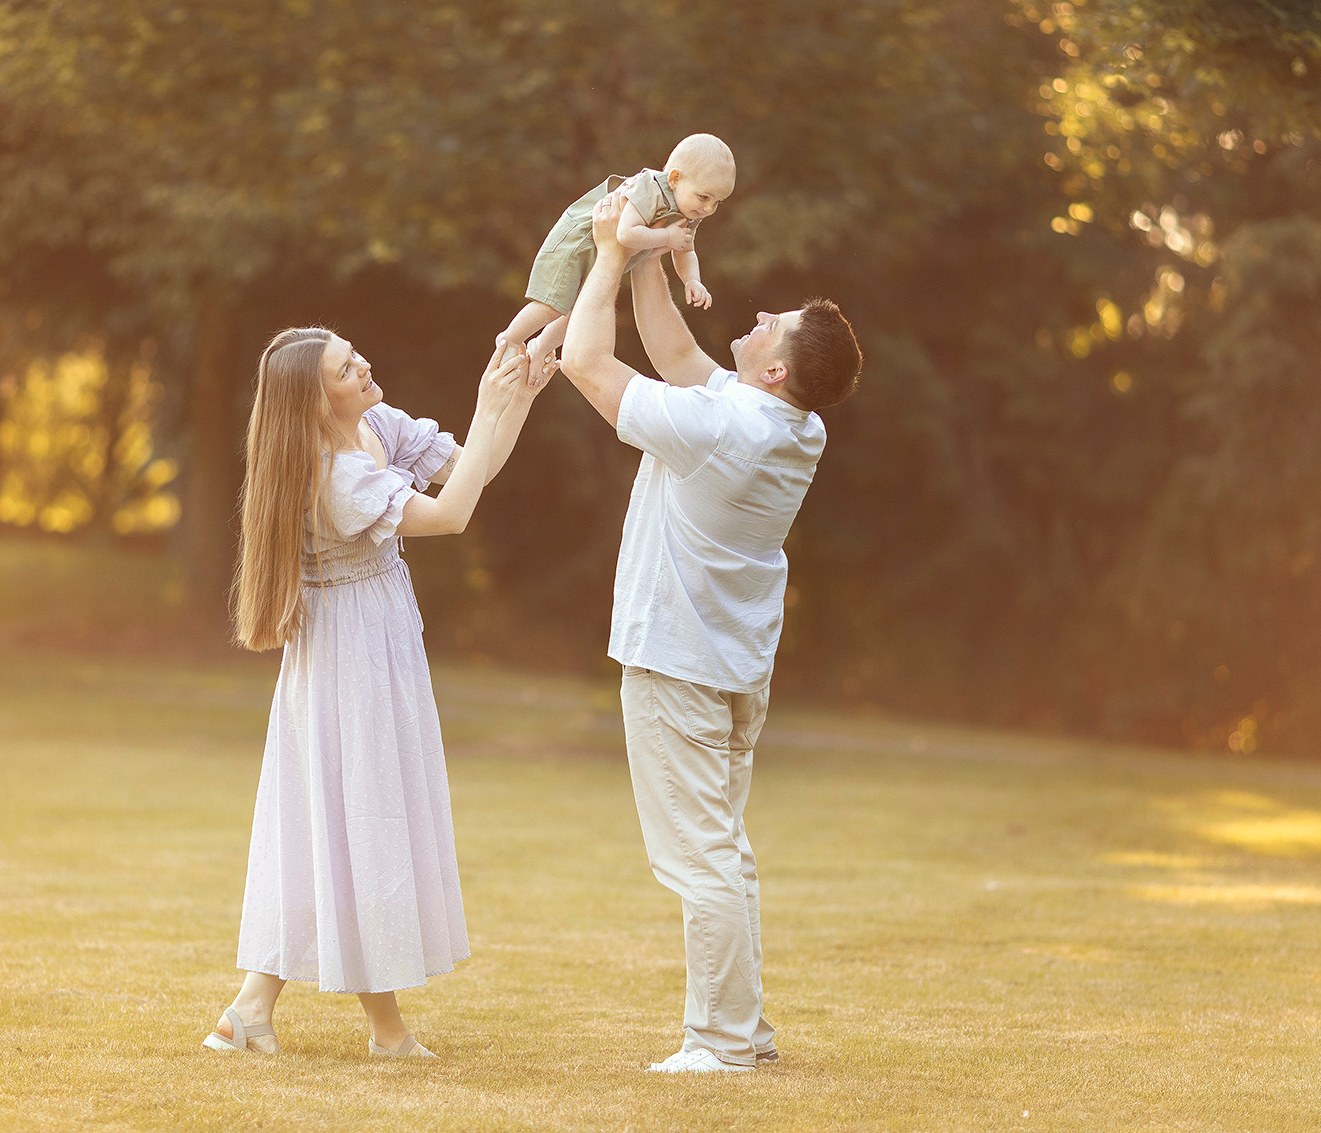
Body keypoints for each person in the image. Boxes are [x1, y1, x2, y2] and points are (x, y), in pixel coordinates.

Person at [560, 188, 864, 1075]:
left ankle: (720, 1044)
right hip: (728, 667)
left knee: (701, 861)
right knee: (722, 852)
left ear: (773, 370)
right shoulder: (787, 423)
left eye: (776, 325)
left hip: (679, 666)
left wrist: (611, 252)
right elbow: (673, 350)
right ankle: (746, 1032)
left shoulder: (726, 426)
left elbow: (588, 361)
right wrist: (657, 238)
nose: (762, 315)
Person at [205, 329, 539, 1059]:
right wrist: (490, 404)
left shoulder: (376, 427)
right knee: (363, 820)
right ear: (313, 400)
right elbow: (451, 515)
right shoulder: (334, 475)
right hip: (347, 656)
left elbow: (467, 471)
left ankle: (249, 1011)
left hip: (377, 645)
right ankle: (385, 1031)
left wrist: (515, 399)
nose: (364, 366)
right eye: (344, 368)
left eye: (357, 354)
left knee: (329, 820)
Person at [498, 133, 736, 388]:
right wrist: (665, 235)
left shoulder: (688, 211)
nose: (709, 209)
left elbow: (685, 250)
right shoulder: (650, 188)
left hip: (604, 255)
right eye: (704, 197)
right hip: (579, 242)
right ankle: (510, 340)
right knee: (553, 306)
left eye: (717, 202)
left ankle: (539, 348)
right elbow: (625, 233)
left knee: (579, 314)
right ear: (675, 178)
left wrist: (692, 280)